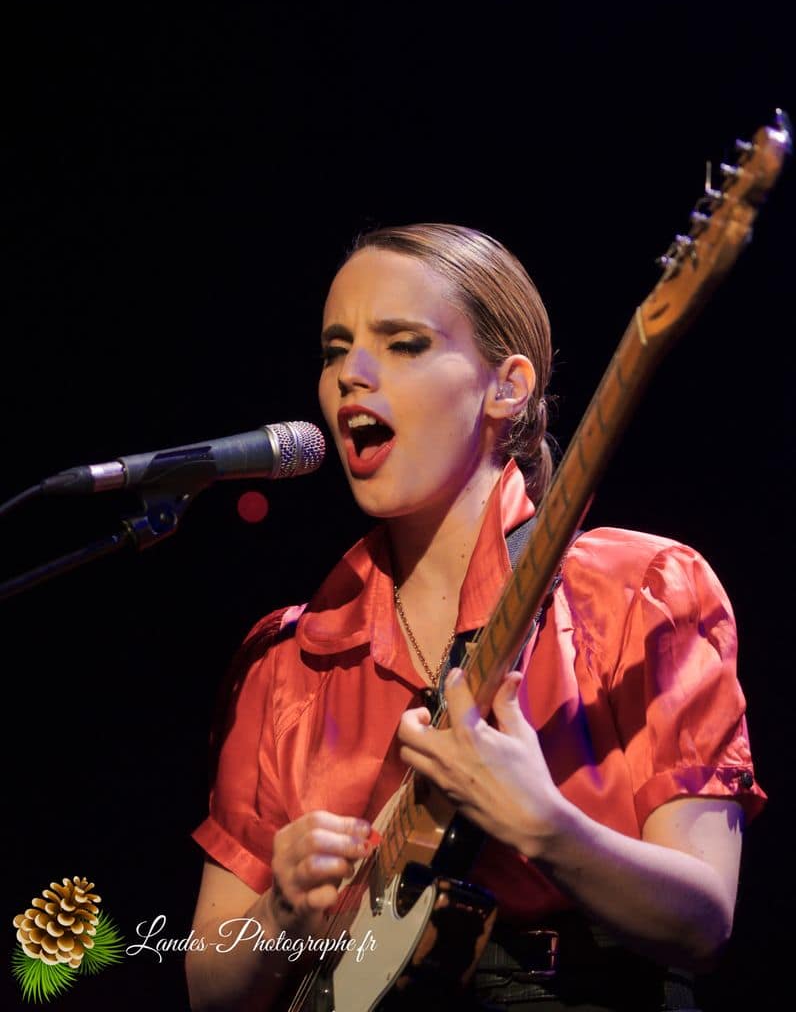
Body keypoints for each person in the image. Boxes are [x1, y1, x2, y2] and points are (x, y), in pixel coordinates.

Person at [186, 223, 766, 1012]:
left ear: (508, 386)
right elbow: (210, 990)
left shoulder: (641, 591)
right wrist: (279, 912)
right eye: (334, 350)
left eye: (404, 344)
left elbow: (703, 923)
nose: (351, 375)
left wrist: (548, 826)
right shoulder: (285, 663)